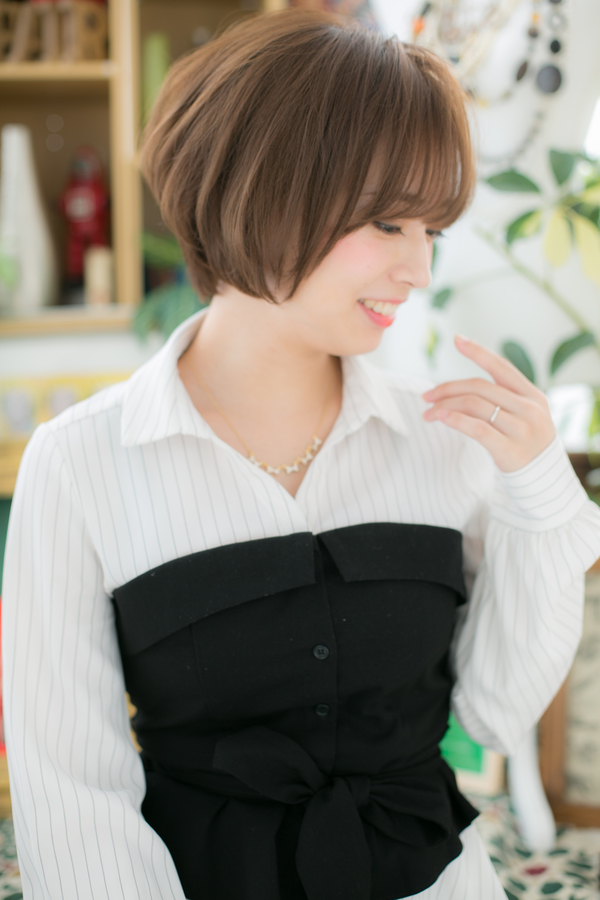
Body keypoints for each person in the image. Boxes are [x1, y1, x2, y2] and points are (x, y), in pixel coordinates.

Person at [4, 9, 600, 900]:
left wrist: (541, 495)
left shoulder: (447, 443)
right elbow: (73, 792)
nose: (419, 271)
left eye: (431, 233)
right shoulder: (80, 463)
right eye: (389, 224)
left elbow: (494, 711)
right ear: (265, 192)